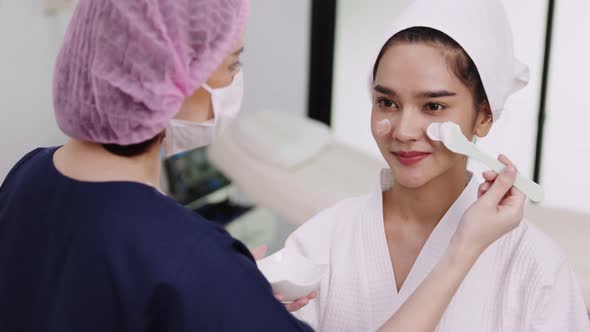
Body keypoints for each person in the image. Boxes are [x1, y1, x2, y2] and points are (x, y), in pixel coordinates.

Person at [0, 0, 535, 331]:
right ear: (171, 77)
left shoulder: (27, 175)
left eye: (434, 105)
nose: (405, 128)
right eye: (232, 63)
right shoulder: (195, 265)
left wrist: (233, 290)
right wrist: (463, 248)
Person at [283, 0, 590, 331]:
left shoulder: (538, 268)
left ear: (484, 115)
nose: (403, 130)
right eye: (387, 102)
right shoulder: (318, 243)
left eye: (433, 106)